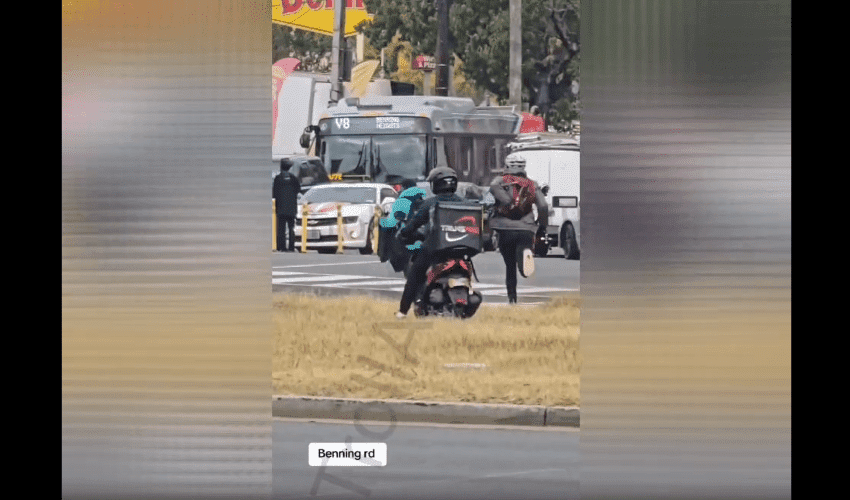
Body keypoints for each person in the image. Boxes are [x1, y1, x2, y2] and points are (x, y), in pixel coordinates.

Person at [395, 168, 464, 319]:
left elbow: (413, 224)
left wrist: (403, 234)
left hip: (434, 249)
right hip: (460, 250)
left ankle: (402, 312)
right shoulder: (464, 203)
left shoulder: (430, 204)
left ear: (435, 185)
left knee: (414, 275)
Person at [489, 155, 548, 304]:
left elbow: (499, 200)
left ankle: (512, 299)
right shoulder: (532, 184)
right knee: (523, 248)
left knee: (509, 265)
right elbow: (543, 206)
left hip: (505, 229)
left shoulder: (497, 182)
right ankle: (524, 257)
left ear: (507, 165)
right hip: (526, 228)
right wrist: (541, 227)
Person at [273, 158, 301, 252]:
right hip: (291, 208)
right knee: (291, 227)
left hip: (280, 208)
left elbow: (274, 193)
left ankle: (282, 247)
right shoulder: (293, 178)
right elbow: (298, 189)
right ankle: (291, 247)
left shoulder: (278, 178)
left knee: (281, 228)